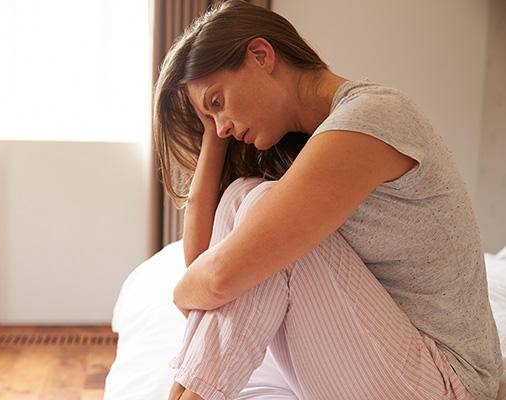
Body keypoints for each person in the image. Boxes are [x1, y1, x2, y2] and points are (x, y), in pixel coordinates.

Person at [152, 1, 502, 400]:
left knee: (266, 225)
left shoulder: (369, 119)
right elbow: (203, 262)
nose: (222, 127)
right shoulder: (316, 140)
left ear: (261, 55)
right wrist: (214, 136)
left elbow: (217, 279)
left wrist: (181, 291)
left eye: (217, 103)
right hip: (396, 359)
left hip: (448, 384)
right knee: (240, 197)